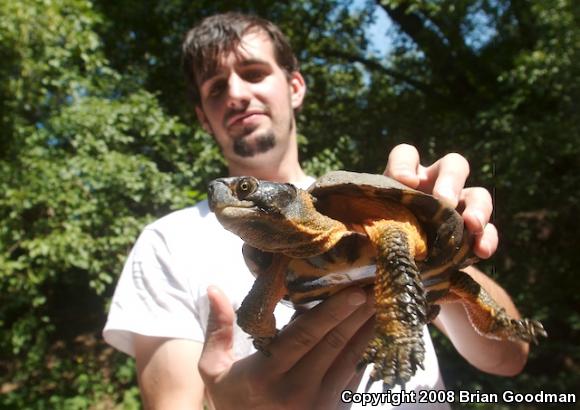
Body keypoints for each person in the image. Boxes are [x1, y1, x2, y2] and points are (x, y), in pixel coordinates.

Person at [103, 12, 530, 409]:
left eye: (253, 73)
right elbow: (182, 392)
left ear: (295, 87)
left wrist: (444, 237)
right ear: (202, 117)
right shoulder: (166, 242)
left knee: (401, 242)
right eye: (216, 87)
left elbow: (510, 359)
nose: (236, 93)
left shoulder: (367, 197)